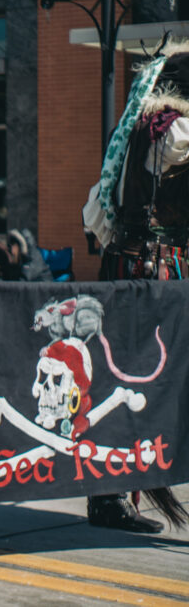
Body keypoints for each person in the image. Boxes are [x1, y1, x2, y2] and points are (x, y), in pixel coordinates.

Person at [81, 40, 189, 533]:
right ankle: (109, 497)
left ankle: (114, 493)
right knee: (132, 383)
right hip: (148, 274)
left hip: (148, 270)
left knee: (141, 384)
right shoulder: (168, 131)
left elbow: (93, 215)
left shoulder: (139, 135)